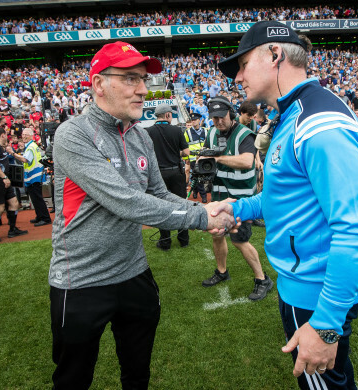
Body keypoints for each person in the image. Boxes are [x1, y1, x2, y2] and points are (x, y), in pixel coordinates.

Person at [48, 41, 235, 390]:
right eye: (131, 78)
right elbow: (126, 202)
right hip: (81, 281)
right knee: (72, 379)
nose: (143, 89)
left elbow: (159, 195)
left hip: (134, 273)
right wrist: (201, 218)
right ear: (99, 84)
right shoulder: (72, 134)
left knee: (137, 374)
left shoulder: (140, 135)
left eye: (144, 80)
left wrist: (203, 207)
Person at [217, 20, 358, 389]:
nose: (238, 77)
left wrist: (325, 324)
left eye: (242, 64)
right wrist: (237, 208)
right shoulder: (294, 114)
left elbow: (355, 232)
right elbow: (286, 198)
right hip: (303, 283)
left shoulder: (317, 123)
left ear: (275, 55)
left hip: (315, 292)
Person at [200, 95, 273, 301]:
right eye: (213, 118)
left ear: (231, 114)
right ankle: (222, 272)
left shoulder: (244, 134)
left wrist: (216, 158)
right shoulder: (212, 132)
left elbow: (247, 161)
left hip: (241, 200)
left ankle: (262, 279)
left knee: (240, 241)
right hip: (219, 194)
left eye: (221, 117)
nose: (217, 122)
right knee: (217, 235)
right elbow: (207, 156)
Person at [145, 103, 190, 250]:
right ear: (168, 115)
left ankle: (165, 242)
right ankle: (183, 239)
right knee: (181, 205)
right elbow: (186, 152)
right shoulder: (176, 130)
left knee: (161, 207)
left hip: (158, 174)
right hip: (176, 173)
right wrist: (174, 154)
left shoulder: (148, 131)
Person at [0, 126, 28, 242]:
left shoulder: (0, 147)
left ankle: (12, 229)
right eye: (6, 135)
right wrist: (4, 177)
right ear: (3, 135)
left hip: (4, 179)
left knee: (14, 203)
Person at [12, 128, 51, 227]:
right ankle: (40, 216)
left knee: (37, 198)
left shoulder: (30, 147)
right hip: (33, 176)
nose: (24, 136)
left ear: (31, 135)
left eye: (26, 134)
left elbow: (25, 160)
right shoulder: (31, 146)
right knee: (35, 198)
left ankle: (45, 218)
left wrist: (13, 154)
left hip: (34, 176)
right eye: (23, 134)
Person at [184, 112, 208, 202]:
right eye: (192, 120)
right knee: (198, 177)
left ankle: (195, 190)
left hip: (204, 158)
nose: (193, 122)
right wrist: (187, 159)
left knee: (198, 177)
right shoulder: (187, 132)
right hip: (193, 159)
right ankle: (204, 195)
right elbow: (185, 146)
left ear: (199, 120)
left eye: (195, 120)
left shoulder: (206, 130)